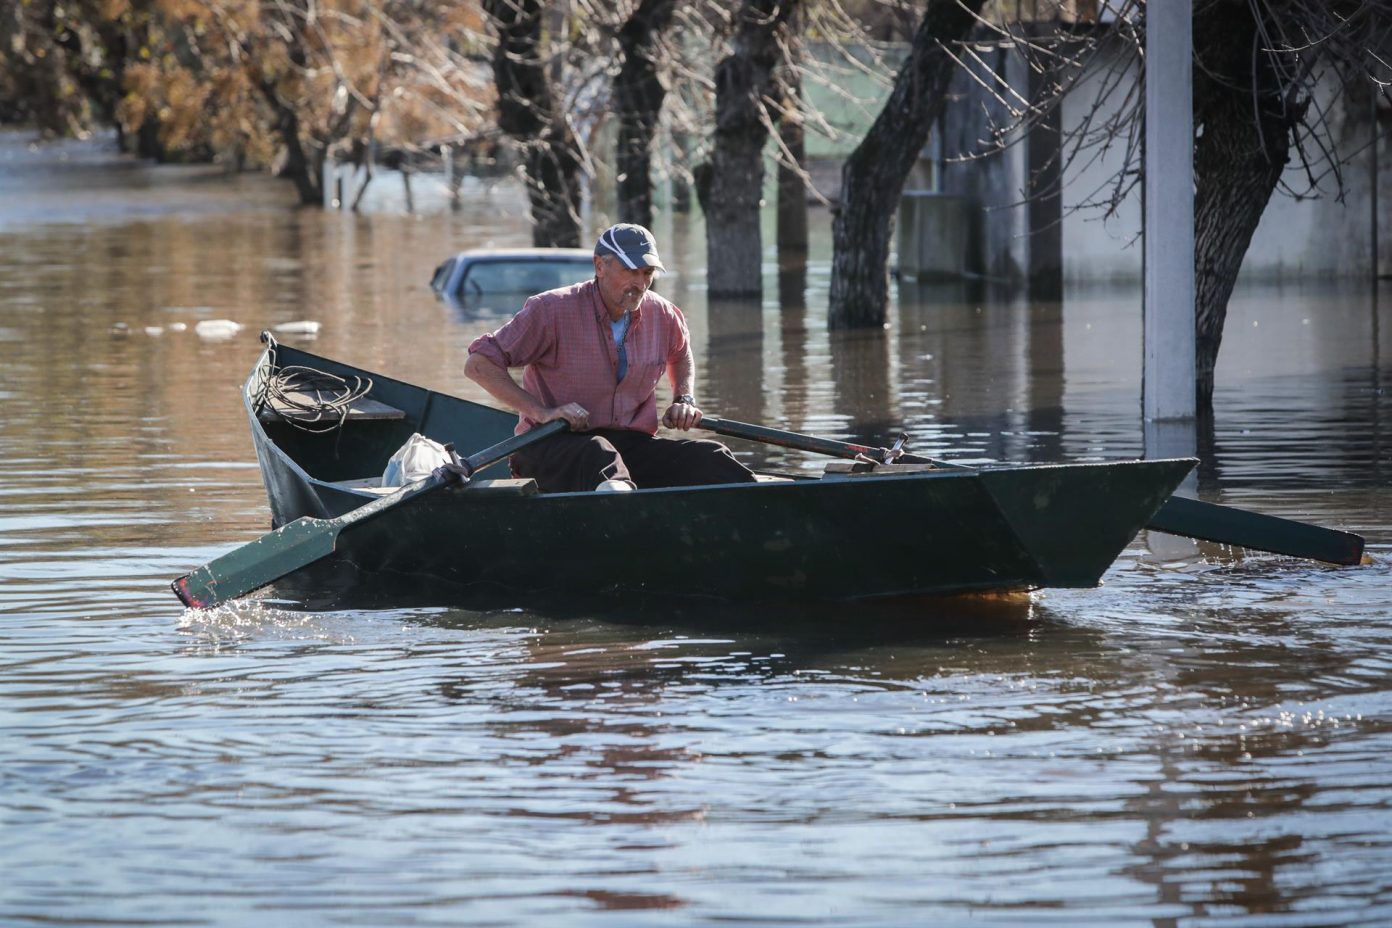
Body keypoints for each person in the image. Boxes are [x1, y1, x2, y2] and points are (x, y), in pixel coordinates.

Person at [464, 223, 758, 493]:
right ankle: (620, 508)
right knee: (598, 453)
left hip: (628, 446)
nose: (640, 283)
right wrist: (542, 412)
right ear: (599, 266)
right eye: (630, 271)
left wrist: (684, 399)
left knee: (711, 457)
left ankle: (763, 505)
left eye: (647, 273)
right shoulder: (550, 310)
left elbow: (681, 355)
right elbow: (479, 364)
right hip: (549, 447)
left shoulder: (664, 315)